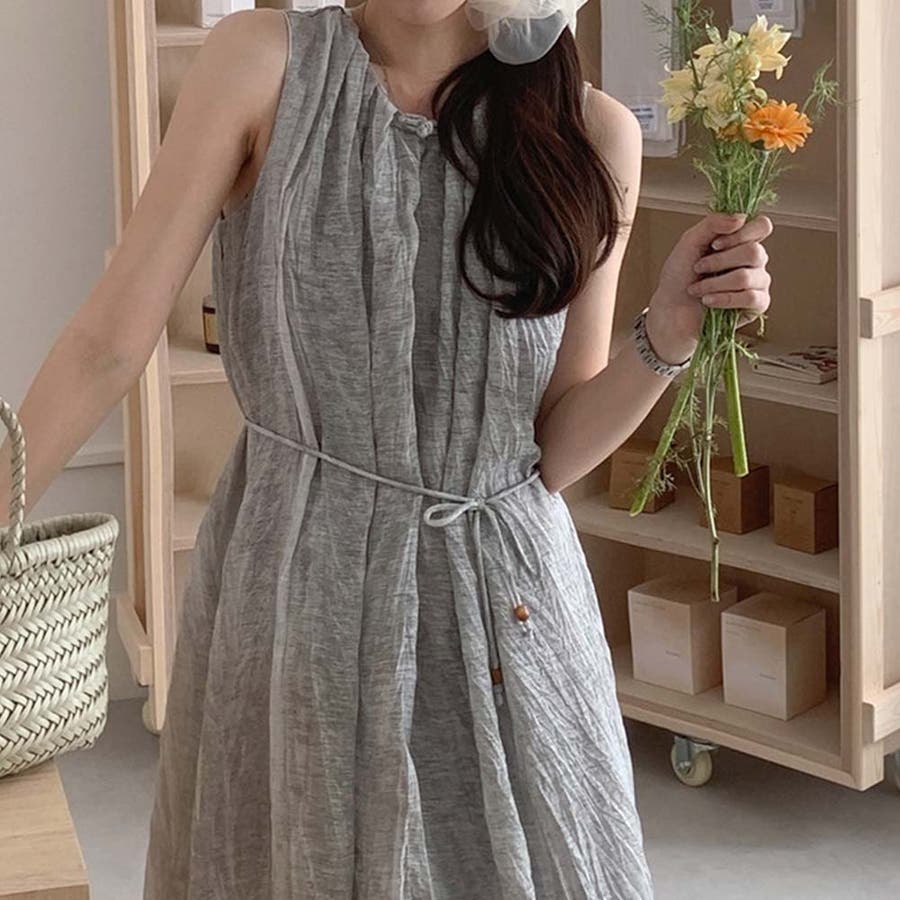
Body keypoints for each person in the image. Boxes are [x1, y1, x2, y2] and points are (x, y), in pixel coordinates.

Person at [1, 1, 772, 896]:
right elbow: (107, 344)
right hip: (301, 599)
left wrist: (669, 330)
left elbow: (551, 453)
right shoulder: (263, 64)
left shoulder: (592, 130)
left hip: (510, 620)